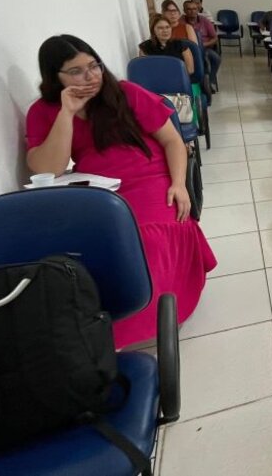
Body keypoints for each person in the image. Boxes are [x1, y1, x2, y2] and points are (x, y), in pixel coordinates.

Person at [25, 35, 217, 348]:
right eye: (76, 71)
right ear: (53, 78)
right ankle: (107, 317)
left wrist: (179, 184)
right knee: (96, 246)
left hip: (152, 175)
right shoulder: (45, 111)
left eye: (94, 66)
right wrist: (67, 114)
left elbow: (173, 141)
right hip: (99, 188)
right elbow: (50, 168)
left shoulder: (125, 93)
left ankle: (146, 322)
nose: (90, 77)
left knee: (146, 239)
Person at [182, 0, 221, 90]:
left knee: (216, 59)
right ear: (184, 11)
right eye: (189, 9)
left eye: (195, 9)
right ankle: (195, 82)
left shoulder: (204, 21)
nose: (192, 11)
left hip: (205, 47)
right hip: (187, 49)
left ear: (198, 10)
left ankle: (209, 81)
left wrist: (203, 45)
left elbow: (215, 38)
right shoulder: (181, 21)